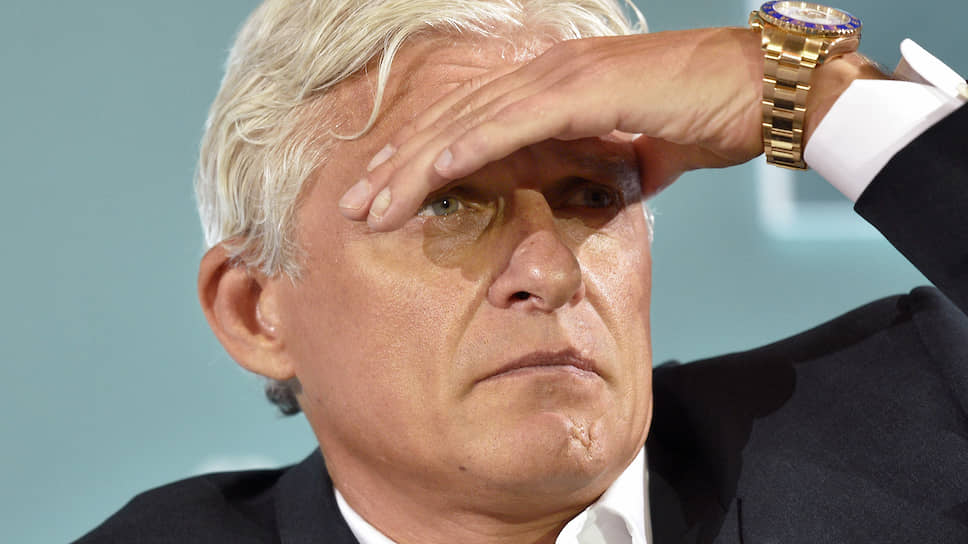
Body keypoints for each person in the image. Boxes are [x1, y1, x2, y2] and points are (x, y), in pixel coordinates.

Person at [75, 0, 968, 542]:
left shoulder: (924, 412)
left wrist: (817, 98)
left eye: (590, 195)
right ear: (255, 310)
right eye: (448, 203)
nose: (550, 270)